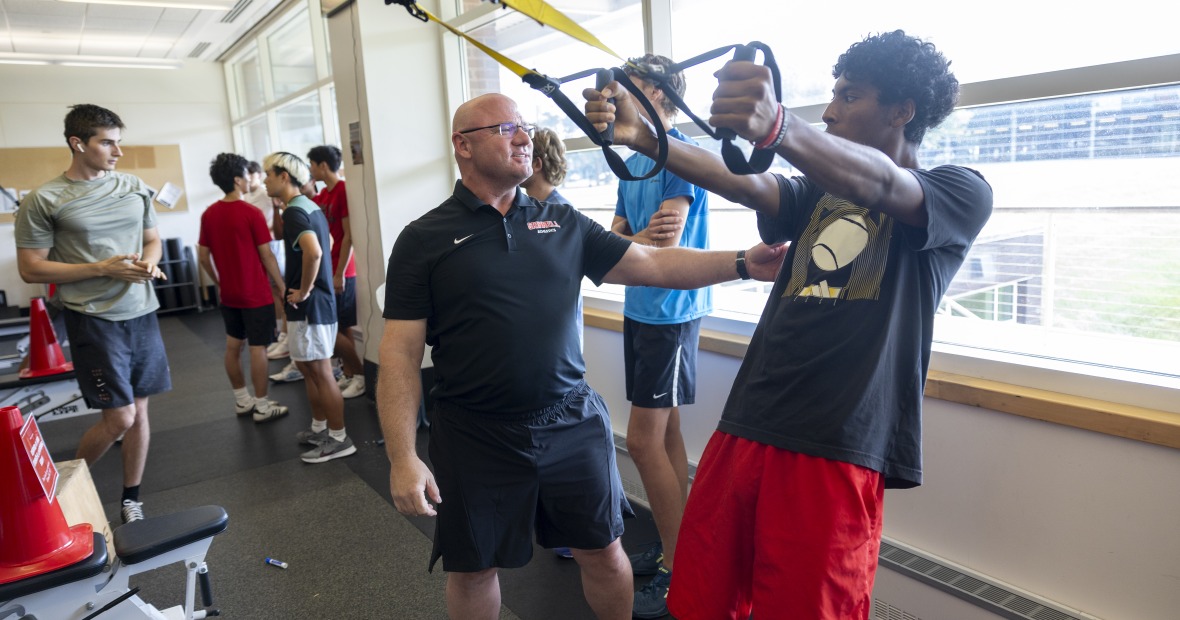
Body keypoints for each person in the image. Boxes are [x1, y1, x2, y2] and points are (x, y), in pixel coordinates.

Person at [585, 30, 994, 619]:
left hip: (835, 447)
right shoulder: (814, 197)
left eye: (849, 97)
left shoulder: (958, 193)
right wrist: (646, 139)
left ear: (903, 111)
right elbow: (742, 180)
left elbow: (882, 183)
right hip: (747, 425)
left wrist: (779, 127)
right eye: (832, 96)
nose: (829, 111)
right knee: (701, 602)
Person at [376, 93, 785, 620]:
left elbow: (654, 266)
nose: (525, 138)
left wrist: (742, 263)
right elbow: (401, 353)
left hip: (570, 422)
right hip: (475, 431)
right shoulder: (423, 239)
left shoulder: (562, 222)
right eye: (506, 129)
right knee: (474, 567)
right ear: (464, 146)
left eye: (524, 127)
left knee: (603, 550)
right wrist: (402, 456)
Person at [14, 103, 173, 523]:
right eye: (107, 143)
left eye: (119, 142)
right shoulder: (44, 199)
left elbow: (152, 239)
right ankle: (60, 488)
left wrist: (150, 261)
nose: (117, 152)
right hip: (93, 317)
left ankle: (130, 497)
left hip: (141, 312)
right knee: (118, 417)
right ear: (77, 143)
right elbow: (30, 267)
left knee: (139, 411)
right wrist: (99, 268)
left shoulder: (133, 186)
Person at [603, 54, 713, 619]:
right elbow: (618, 233)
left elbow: (660, 245)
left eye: (632, 84)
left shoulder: (680, 155)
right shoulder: (633, 157)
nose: (619, 91)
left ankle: (679, 567)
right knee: (665, 434)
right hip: (641, 305)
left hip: (673, 308)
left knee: (643, 441)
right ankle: (683, 548)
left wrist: (631, 239)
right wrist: (633, 238)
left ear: (660, 93)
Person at [262, 151, 355, 463]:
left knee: (320, 370)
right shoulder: (308, 206)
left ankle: (340, 438)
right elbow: (326, 244)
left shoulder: (295, 212)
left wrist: (303, 290)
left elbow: (315, 252)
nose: (264, 180)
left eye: (268, 175)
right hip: (314, 304)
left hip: (312, 305)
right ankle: (320, 428)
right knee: (308, 368)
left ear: (284, 177)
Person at [197, 152, 290, 423]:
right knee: (258, 348)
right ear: (238, 180)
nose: (252, 179)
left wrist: (218, 281)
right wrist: (282, 287)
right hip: (255, 293)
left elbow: (203, 257)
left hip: (230, 295)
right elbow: (267, 255)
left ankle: (242, 400)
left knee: (232, 346)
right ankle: (262, 406)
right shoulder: (251, 213)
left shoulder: (209, 214)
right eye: (248, 175)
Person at [307, 145, 365, 399]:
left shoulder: (341, 190)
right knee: (342, 328)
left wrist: (340, 271)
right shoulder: (323, 195)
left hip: (342, 270)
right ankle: (351, 374)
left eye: (312, 165)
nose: (310, 170)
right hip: (328, 268)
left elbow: (348, 235)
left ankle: (360, 375)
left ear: (322, 165)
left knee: (340, 327)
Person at [244, 160, 290, 361]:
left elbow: (273, 221)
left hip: (272, 246)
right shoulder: (246, 196)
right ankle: (281, 333)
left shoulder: (266, 194)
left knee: (281, 289)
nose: (249, 179)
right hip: (257, 248)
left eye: (251, 174)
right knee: (272, 290)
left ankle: (284, 335)